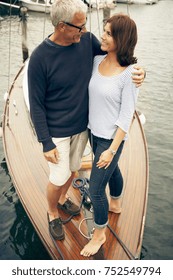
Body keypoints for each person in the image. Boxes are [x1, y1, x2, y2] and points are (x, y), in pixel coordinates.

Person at [28, 0, 145, 241]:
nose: (85, 31)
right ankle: (52, 212)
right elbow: (36, 105)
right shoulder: (40, 58)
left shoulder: (86, 41)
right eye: (79, 27)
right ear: (62, 26)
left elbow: (119, 57)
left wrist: (140, 71)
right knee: (59, 176)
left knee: (72, 170)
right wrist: (45, 142)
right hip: (56, 132)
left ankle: (62, 199)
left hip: (83, 128)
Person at [80, 13, 140, 257]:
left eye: (108, 33)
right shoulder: (96, 61)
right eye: (103, 31)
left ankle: (99, 234)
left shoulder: (130, 74)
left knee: (95, 190)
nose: (102, 37)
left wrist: (111, 149)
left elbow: (126, 118)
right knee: (112, 170)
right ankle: (116, 202)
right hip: (93, 132)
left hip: (110, 140)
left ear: (121, 39)